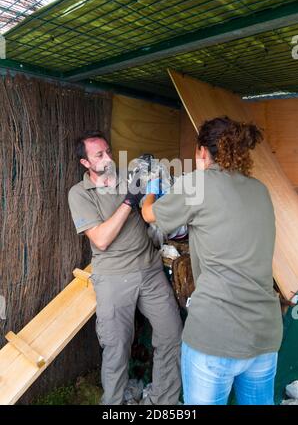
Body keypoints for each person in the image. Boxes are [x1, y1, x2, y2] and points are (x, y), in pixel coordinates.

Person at [141, 116, 283, 405]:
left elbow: (149, 216)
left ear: (202, 152)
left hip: (216, 333)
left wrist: (150, 190)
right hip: (265, 334)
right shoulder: (259, 189)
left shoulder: (198, 182)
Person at [68, 131, 182, 405]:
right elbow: (102, 239)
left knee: (172, 336)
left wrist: (157, 181)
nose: (109, 158)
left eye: (109, 151)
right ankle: (114, 405)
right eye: (100, 155)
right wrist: (130, 200)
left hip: (150, 270)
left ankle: (161, 401)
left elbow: (156, 205)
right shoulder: (80, 194)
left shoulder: (128, 176)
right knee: (116, 348)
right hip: (113, 277)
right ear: (85, 163)